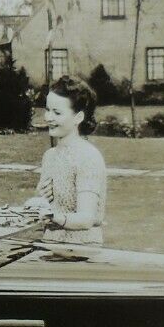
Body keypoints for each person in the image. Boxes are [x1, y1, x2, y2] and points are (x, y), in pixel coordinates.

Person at [27, 73, 107, 244]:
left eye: (57, 112)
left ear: (78, 117)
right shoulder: (49, 156)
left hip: (82, 250)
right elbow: (45, 209)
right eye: (47, 110)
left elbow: (87, 219)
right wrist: (38, 200)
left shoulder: (88, 157)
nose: (48, 117)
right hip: (50, 246)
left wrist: (52, 216)